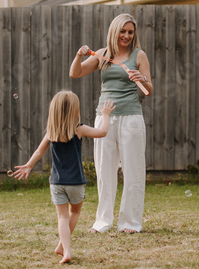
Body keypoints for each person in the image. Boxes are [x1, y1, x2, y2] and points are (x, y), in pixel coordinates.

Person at [69, 13, 153, 234]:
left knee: (133, 170)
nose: (126, 36)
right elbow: (75, 73)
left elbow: (150, 88)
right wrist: (79, 55)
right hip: (105, 118)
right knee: (104, 170)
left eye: (130, 32)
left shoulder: (139, 55)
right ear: (114, 31)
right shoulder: (102, 55)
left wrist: (141, 79)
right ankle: (103, 221)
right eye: (123, 31)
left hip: (131, 118)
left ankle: (130, 223)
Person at [14, 91, 115, 263]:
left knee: (62, 217)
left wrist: (29, 165)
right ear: (76, 110)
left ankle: (65, 248)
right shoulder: (79, 129)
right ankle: (63, 246)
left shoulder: (51, 132)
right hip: (76, 182)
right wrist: (105, 115)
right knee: (74, 212)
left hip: (57, 182)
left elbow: (39, 151)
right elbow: (102, 132)